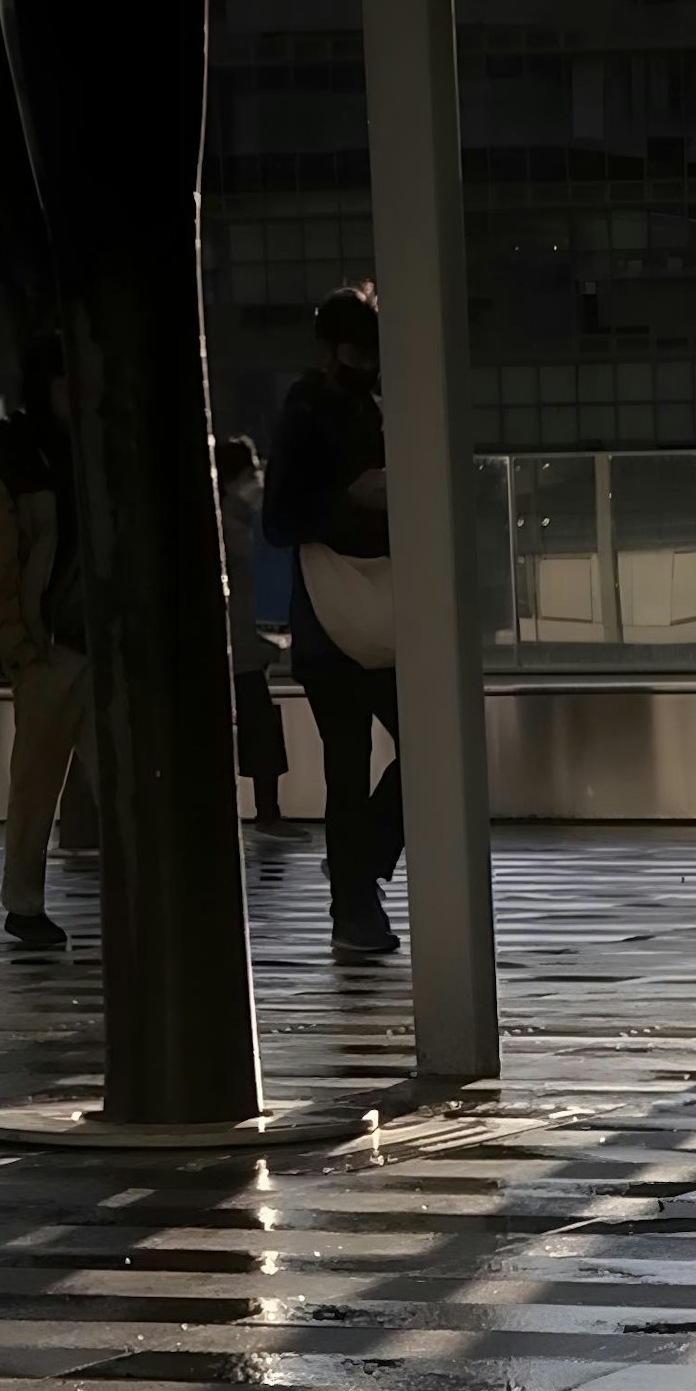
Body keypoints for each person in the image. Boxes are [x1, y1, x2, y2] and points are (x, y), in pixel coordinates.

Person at [263, 286, 401, 958]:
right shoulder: (309, 412)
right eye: (356, 352)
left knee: (380, 761)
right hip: (337, 621)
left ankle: (357, 883)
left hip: (352, 617)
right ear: (329, 351)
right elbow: (280, 518)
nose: (365, 365)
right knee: (354, 765)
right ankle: (355, 898)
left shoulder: (369, 405)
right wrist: (354, 499)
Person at [0, 345, 84, 955]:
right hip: (52, 646)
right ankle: (24, 902)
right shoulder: (15, 458)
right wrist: (17, 644)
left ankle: (26, 906)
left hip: (74, 642)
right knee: (38, 781)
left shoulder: (36, 454)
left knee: (47, 777)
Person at [215, 431, 292, 828]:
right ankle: (268, 813)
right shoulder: (232, 522)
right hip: (241, 645)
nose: (256, 480)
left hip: (250, 643)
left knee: (257, 724)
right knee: (259, 727)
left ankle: (266, 811)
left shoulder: (243, 519)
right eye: (250, 472)